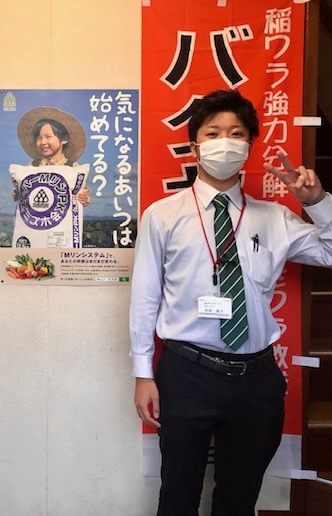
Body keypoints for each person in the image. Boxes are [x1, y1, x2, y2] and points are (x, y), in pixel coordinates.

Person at [130, 89, 332, 515]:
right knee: (178, 495)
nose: (225, 141)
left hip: (256, 380)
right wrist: (143, 374)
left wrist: (316, 202)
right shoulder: (162, 215)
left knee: (239, 498)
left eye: (236, 133)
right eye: (213, 132)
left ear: (249, 147)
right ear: (195, 146)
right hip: (186, 373)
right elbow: (145, 297)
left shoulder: (274, 217)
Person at [15, 107, 91, 206]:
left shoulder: (73, 167)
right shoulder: (32, 167)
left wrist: (85, 198)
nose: (43, 142)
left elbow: (83, 195)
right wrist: (18, 195)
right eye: (38, 138)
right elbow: (24, 192)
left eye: (48, 137)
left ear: (64, 139)